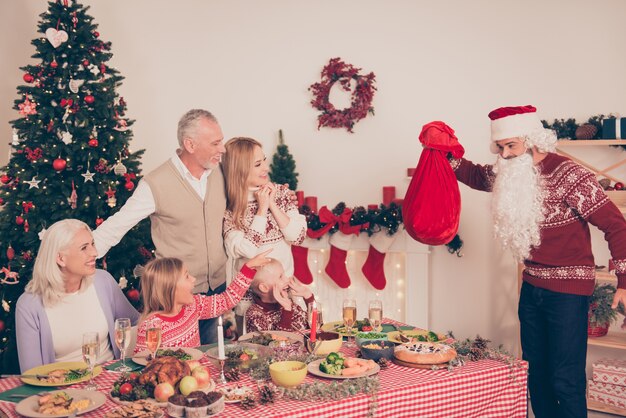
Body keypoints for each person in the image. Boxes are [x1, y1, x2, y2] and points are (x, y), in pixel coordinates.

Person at [448, 105, 626, 418]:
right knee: (536, 374)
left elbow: (616, 225)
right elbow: (477, 175)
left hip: (568, 292)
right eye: (500, 148)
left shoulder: (570, 175)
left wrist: (624, 279)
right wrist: (445, 156)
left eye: (511, 146)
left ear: (532, 140)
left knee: (565, 378)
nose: (504, 155)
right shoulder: (512, 172)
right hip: (532, 287)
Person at [92, 109, 228, 345]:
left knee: (211, 364)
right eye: (215, 143)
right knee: (174, 367)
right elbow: (119, 223)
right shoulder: (155, 183)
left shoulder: (222, 173)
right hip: (175, 297)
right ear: (190, 144)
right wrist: (85, 252)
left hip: (217, 290)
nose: (222, 149)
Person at [15, 219, 139, 372]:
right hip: (63, 389)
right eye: (84, 248)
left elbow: (134, 321)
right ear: (61, 258)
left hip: (110, 381)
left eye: (92, 244)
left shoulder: (103, 281)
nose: (94, 252)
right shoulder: (29, 305)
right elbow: (32, 373)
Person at [221, 137, 307, 331]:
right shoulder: (230, 207)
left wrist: (273, 204)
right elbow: (248, 250)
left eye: (264, 160)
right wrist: (262, 209)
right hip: (250, 301)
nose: (265, 168)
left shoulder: (282, 193)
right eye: (258, 164)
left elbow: (298, 236)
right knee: (255, 353)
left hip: (285, 293)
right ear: (240, 170)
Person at [133, 250, 270, 352]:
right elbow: (143, 364)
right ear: (171, 288)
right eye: (186, 276)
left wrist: (248, 269)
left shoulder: (194, 305)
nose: (193, 279)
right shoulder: (151, 325)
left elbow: (227, 300)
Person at [245, 258, 314, 333]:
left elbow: (316, 330)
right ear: (264, 288)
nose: (287, 279)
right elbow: (277, 343)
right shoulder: (255, 315)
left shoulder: (291, 305)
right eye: (280, 277)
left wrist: (308, 297)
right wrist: (287, 311)